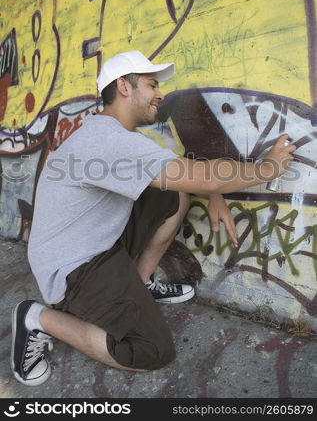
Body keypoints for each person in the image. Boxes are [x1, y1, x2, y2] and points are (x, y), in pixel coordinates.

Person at [11, 50, 296, 386]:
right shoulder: (108, 141)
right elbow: (203, 175)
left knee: (172, 195)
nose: (160, 94)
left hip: (90, 245)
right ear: (124, 87)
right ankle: (37, 318)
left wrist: (213, 192)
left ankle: (140, 282)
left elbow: (180, 174)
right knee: (150, 351)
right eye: (151, 84)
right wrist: (269, 167)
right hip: (73, 268)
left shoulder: (109, 135)